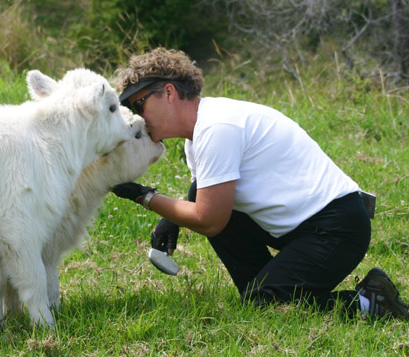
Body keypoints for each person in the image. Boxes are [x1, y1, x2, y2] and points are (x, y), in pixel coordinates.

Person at [112, 47, 408, 319]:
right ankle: (267, 287)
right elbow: (204, 190)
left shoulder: (218, 128)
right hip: (305, 225)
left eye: (139, 105)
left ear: (168, 92)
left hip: (336, 229)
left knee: (263, 303)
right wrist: (171, 219)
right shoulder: (203, 131)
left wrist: (145, 196)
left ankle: (371, 301)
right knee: (258, 293)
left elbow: (209, 220)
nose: (138, 118)